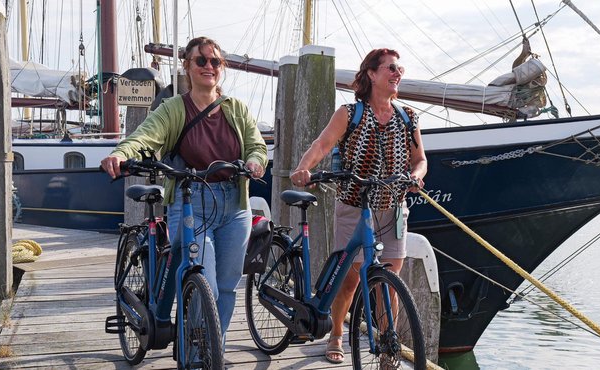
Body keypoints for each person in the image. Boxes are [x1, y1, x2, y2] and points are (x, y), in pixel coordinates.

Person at [100, 36, 268, 348]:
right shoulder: (175, 108)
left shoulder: (237, 109)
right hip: (192, 202)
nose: (209, 66)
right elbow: (146, 135)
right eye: (200, 60)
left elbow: (257, 145)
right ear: (187, 67)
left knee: (228, 285)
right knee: (204, 281)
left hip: (235, 205)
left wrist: (257, 161)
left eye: (215, 61)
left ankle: (210, 349)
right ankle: (195, 345)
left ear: (222, 68)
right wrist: (122, 153)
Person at [289, 48, 427, 364]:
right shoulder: (350, 114)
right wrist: (303, 167)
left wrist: (416, 177)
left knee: (389, 285)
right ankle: (337, 333)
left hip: (393, 208)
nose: (397, 73)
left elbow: (420, 160)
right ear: (372, 74)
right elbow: (322, 144)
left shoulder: (408, 118)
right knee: (350, 279)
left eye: (400, 69)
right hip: (354, 205)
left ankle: (387, 345)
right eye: (391, 68)